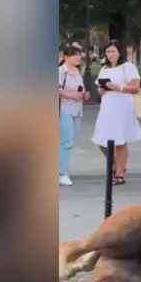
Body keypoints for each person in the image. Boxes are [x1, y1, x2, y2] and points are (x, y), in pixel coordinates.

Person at [92, 40, 141, 185]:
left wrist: (118, 87)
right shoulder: (105, 69)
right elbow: (99, 87)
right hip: (107, 106)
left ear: (119, 52)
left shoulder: (127, 67)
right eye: (108, 52)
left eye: (113, 51)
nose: (110, 54)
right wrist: (102, 90)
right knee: (101, 139)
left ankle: (119, 173)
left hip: (122, 106)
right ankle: (116, 164)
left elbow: (135, 87)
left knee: (119, 141)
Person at [58, 45, 89, 185]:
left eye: (79, 55)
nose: (78, 58)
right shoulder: (61, 71)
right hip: (64, 108)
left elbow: (81, 90)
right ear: (66, 57)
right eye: (74, 55)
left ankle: (61, 167)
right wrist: (72, 95)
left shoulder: (77, 71)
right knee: (67, 141)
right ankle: (62, 173)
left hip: (77, 109)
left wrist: (84, 94)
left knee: (71, 139)